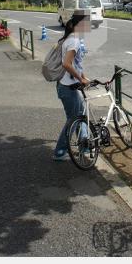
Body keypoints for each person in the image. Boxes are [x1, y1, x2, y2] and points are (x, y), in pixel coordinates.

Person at [53, 10, 91, 161]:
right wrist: (80, 79)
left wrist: (83, 76)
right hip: (68, 88)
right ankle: (60, 151)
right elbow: (67, 64)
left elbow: (77, 63)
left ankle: (85, 145)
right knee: (74, 120)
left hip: (68, 85)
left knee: (78, 116)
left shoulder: (72, 38)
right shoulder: (74, 41)